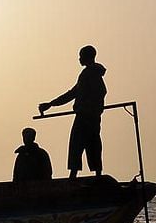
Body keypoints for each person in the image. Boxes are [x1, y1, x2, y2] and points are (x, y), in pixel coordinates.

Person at [38, 45, 107, 178]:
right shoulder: (88, 74)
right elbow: (73, 93)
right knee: (84, 145)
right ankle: (80, 175)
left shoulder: (91, 74)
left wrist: (90, 108)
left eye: (81, 56)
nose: (79, 59)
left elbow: (100, 93)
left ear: (87, 57)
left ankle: (84, 175)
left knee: (82, 145)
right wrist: (51, 104)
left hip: (87, 117)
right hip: (87, 116)